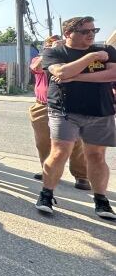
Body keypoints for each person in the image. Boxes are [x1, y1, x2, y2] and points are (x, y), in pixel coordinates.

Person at [36, 16, 116, 220]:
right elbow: (61, 72)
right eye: (85, 31)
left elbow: (112, 75)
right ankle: (46, 194)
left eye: (94, 30)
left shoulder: (107, 50)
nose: (91, 34)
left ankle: (101, 200)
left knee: (96, 156)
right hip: (65, 110)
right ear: (68, 34)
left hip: (100, 110)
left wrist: (76, 77)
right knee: (60, 152)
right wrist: (91, 58)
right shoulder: (54, 51)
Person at [29, 36, 89, 190]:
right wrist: (50, 52)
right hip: (42, 105)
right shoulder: (39, 58)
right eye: (49, 45)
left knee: (76, 142)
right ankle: (48, 171)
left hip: (69, 105)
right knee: (43, 142)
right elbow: (36, 67)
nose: (54, 47)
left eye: (57, 44)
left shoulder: (70, 59)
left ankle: (81, 176)